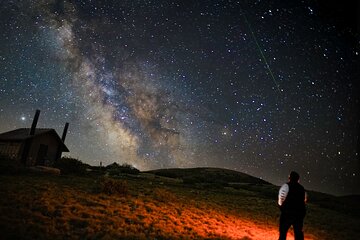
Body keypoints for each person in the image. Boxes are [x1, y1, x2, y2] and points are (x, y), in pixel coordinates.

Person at [278, 171, 307, 240]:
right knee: (298, 232)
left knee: (283, 231)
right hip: (299, 213)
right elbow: (304, 200)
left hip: (287, 213)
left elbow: (281, 198)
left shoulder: (286, 186)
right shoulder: (301, 188)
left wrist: (281, 207)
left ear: (289, 177)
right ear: (298, 179)